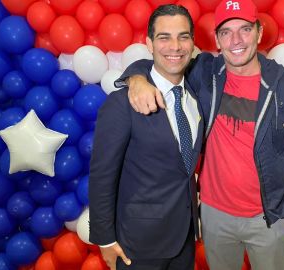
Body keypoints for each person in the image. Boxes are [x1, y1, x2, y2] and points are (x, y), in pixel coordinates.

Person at [116, 0, 284, 269]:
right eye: (226, 32)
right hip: (214, 216)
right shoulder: (204, 71)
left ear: (259, 33)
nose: (236, 40)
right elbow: (160, 62)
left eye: (245, 29)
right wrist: (136, 78)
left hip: (269, 219)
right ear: (216, 39)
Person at [89, 5, 203, 270]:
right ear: (149, 44)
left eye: (183, 36)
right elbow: (102, 175)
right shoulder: (121, 103)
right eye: (164, 37)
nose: (175, 46)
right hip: (137, 244)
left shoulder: (196, 97)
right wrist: (105, 240)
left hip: (185, 238)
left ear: (192, 42)